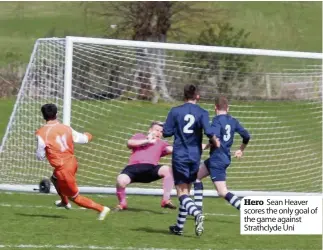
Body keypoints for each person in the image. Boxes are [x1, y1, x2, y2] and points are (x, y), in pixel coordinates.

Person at [35, 103, 110, 220]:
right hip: (72, 162)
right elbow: (84, 139)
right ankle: (64, 202)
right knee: (54, 179)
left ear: (43, 116)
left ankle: (102, 209)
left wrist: (46, 154)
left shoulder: (41, 133)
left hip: (63, 169)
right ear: (57, 114)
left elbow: (40, 156)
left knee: (75, 198)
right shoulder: (66, 128)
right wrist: (88, 135)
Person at [163, 84, 219, 236]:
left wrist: (176, 127)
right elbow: (208, 131)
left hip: (180, 155)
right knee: (186, 191)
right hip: (195, 156)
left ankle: (196, 214)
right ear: (197, 96)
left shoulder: (175, 111)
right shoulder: (202, 112)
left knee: (181, 192)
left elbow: (166, 133)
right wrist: (215, 140)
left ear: (184, 96)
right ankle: (179, 227)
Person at [193, 96, 251, 212]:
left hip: (217, 160)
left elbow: (214, 137)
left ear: (215, 108)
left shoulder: (216, 120)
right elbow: (246, 136)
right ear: (227, 108)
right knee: (195, 177)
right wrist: (241, 149)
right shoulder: (233, 121)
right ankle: (198, 211)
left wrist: (206, 145)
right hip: (222, 157)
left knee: (222, 192)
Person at [115, 121, 176, 211]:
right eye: (157, 130)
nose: (159, 133)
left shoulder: (162, 143)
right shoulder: (140, 136)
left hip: (150, 170)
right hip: (133, 169)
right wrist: (147, 141)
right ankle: (122, 204)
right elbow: (129, 143)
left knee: (168, 170)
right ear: (150, 130)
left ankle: (166, 200)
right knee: (120, 181)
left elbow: (173, 150)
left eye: (161, 131)